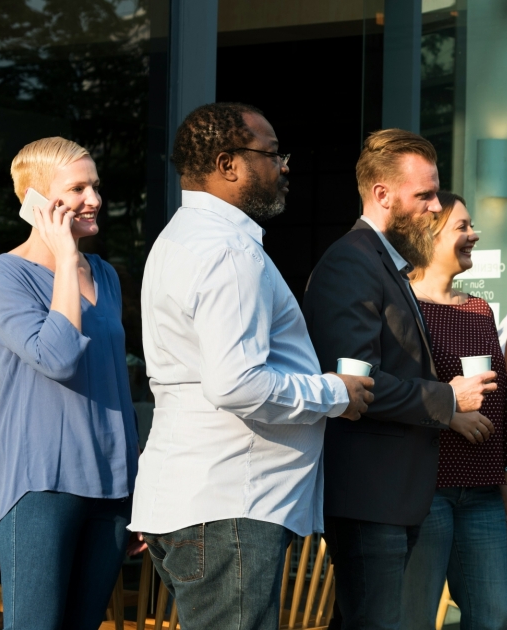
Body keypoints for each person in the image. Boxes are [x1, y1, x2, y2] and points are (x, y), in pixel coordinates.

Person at [133, 103, 374, 628]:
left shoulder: (181, 238)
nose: (284, 167)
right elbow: (236, 383)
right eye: (272, 154)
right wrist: (336, 393)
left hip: (200, 499)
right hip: (230, 503)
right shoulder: (227, 251)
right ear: (228, 164)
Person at [304, 129, 497, 629]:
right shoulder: (352, 262)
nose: (436, 207)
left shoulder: (386, 263)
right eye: (425, 195)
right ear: (382, 194)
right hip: (370, 495)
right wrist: (446, 399)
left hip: (392, 494)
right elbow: (354, 385)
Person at [0, 137, 139, 627]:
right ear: (35, 200)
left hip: (111, 488)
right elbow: (56, 358)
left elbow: (116, 383)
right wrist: (63, 257)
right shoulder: (7, 276)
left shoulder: (105, 275)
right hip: (42, 484)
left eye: (95, 186)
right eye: (77, 188)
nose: (93, 199)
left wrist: (137, 489)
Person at [398, 191, 507, 630]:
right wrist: (448, 413)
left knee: (493, 616)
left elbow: (500, 397)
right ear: (429, 236)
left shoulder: (478, 309)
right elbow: (394, 390)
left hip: (483, 488)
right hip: (426, 488)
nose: (474, 234)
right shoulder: (403, 306)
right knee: (414, 618)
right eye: (462, 227)